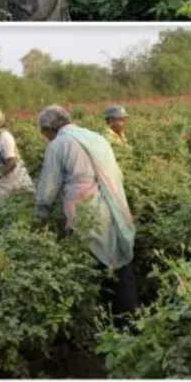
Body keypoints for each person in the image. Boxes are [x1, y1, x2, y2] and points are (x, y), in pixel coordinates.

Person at [34, 105, 138, 319]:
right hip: (113, 204)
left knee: (91, 263)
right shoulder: (94, 137)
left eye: (43, 133)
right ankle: (130, 315)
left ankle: (100, 319)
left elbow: (47, 188)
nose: (44, 137)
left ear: (48, 128)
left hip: (86, 210)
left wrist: (41, 216)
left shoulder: (59, 144)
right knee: (118, 260)